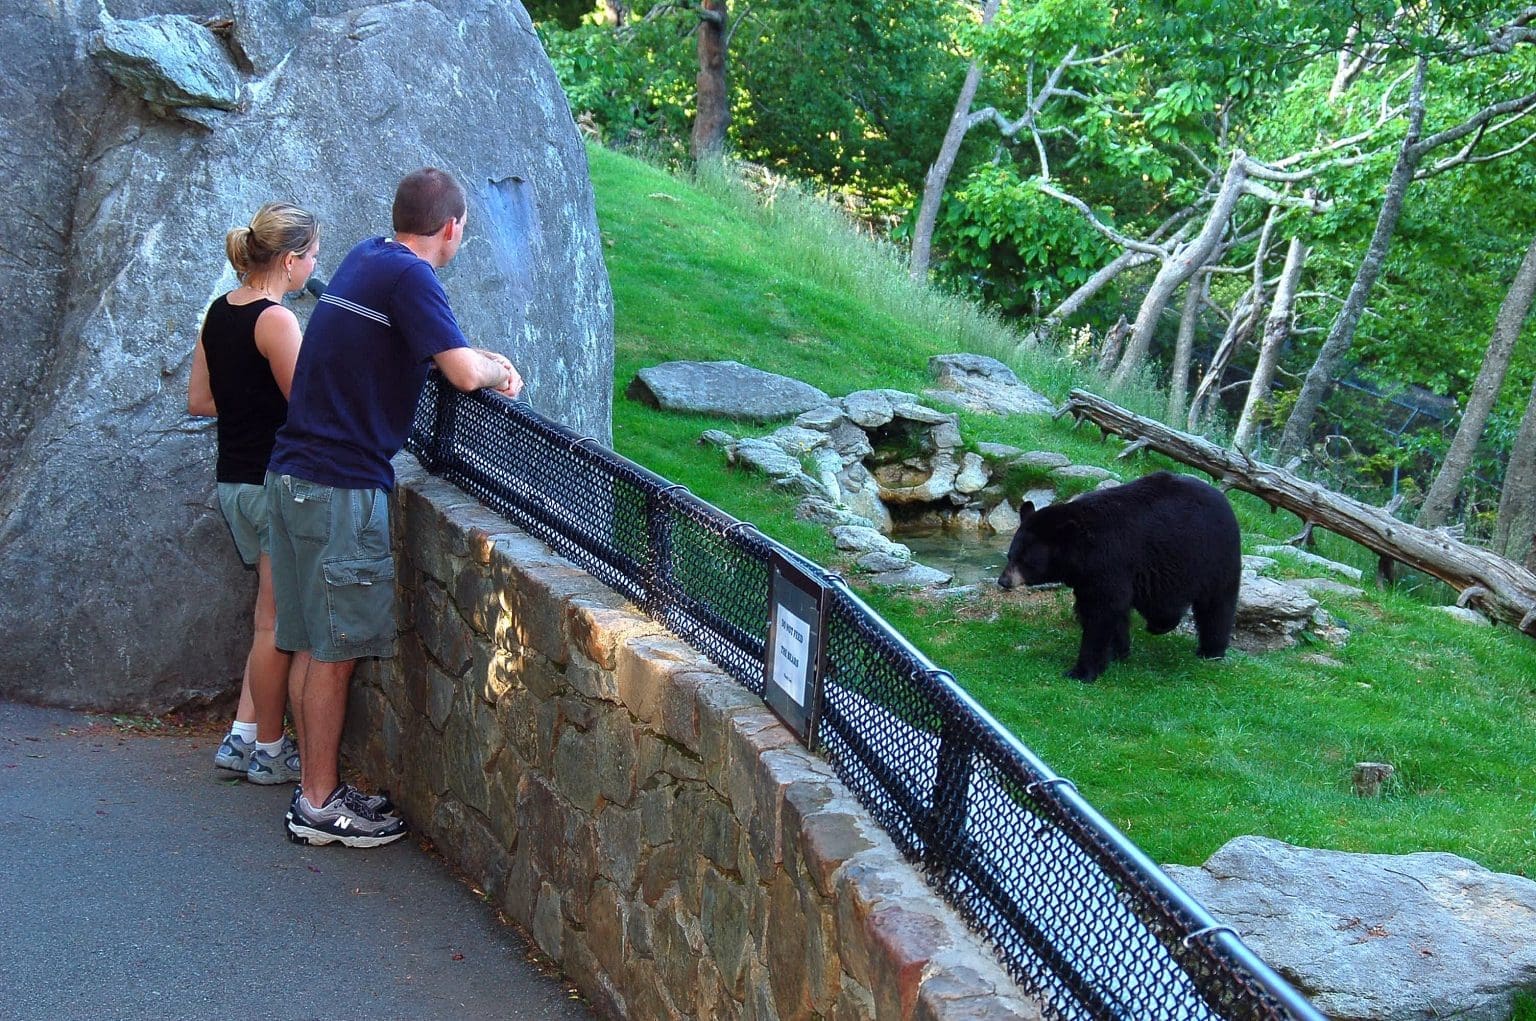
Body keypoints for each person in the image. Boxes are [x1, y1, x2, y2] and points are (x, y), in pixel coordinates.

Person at [267, 168, 522, 848]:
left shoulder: (367, 255)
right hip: (339, 486)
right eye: (462, 229)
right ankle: (319, 804)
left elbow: (438, 353)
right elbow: (464, 371)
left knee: (309, 641)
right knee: (336, 651)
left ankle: (312, 789)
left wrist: (473, 356)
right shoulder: (414, 277)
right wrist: (500, 369)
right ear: (452, 228)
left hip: (293, 473)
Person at [189, 202, 320, 786]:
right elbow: (308, 407)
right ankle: (270, 750)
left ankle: (242, 735)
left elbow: (200, 399)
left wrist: (248, 403)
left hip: (233, 484)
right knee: (275, 624)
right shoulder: (277, 319)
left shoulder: (219, 312)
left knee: (265, 618)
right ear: (290, 260)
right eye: (313, 255)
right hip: (274, 482)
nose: (315, 266)